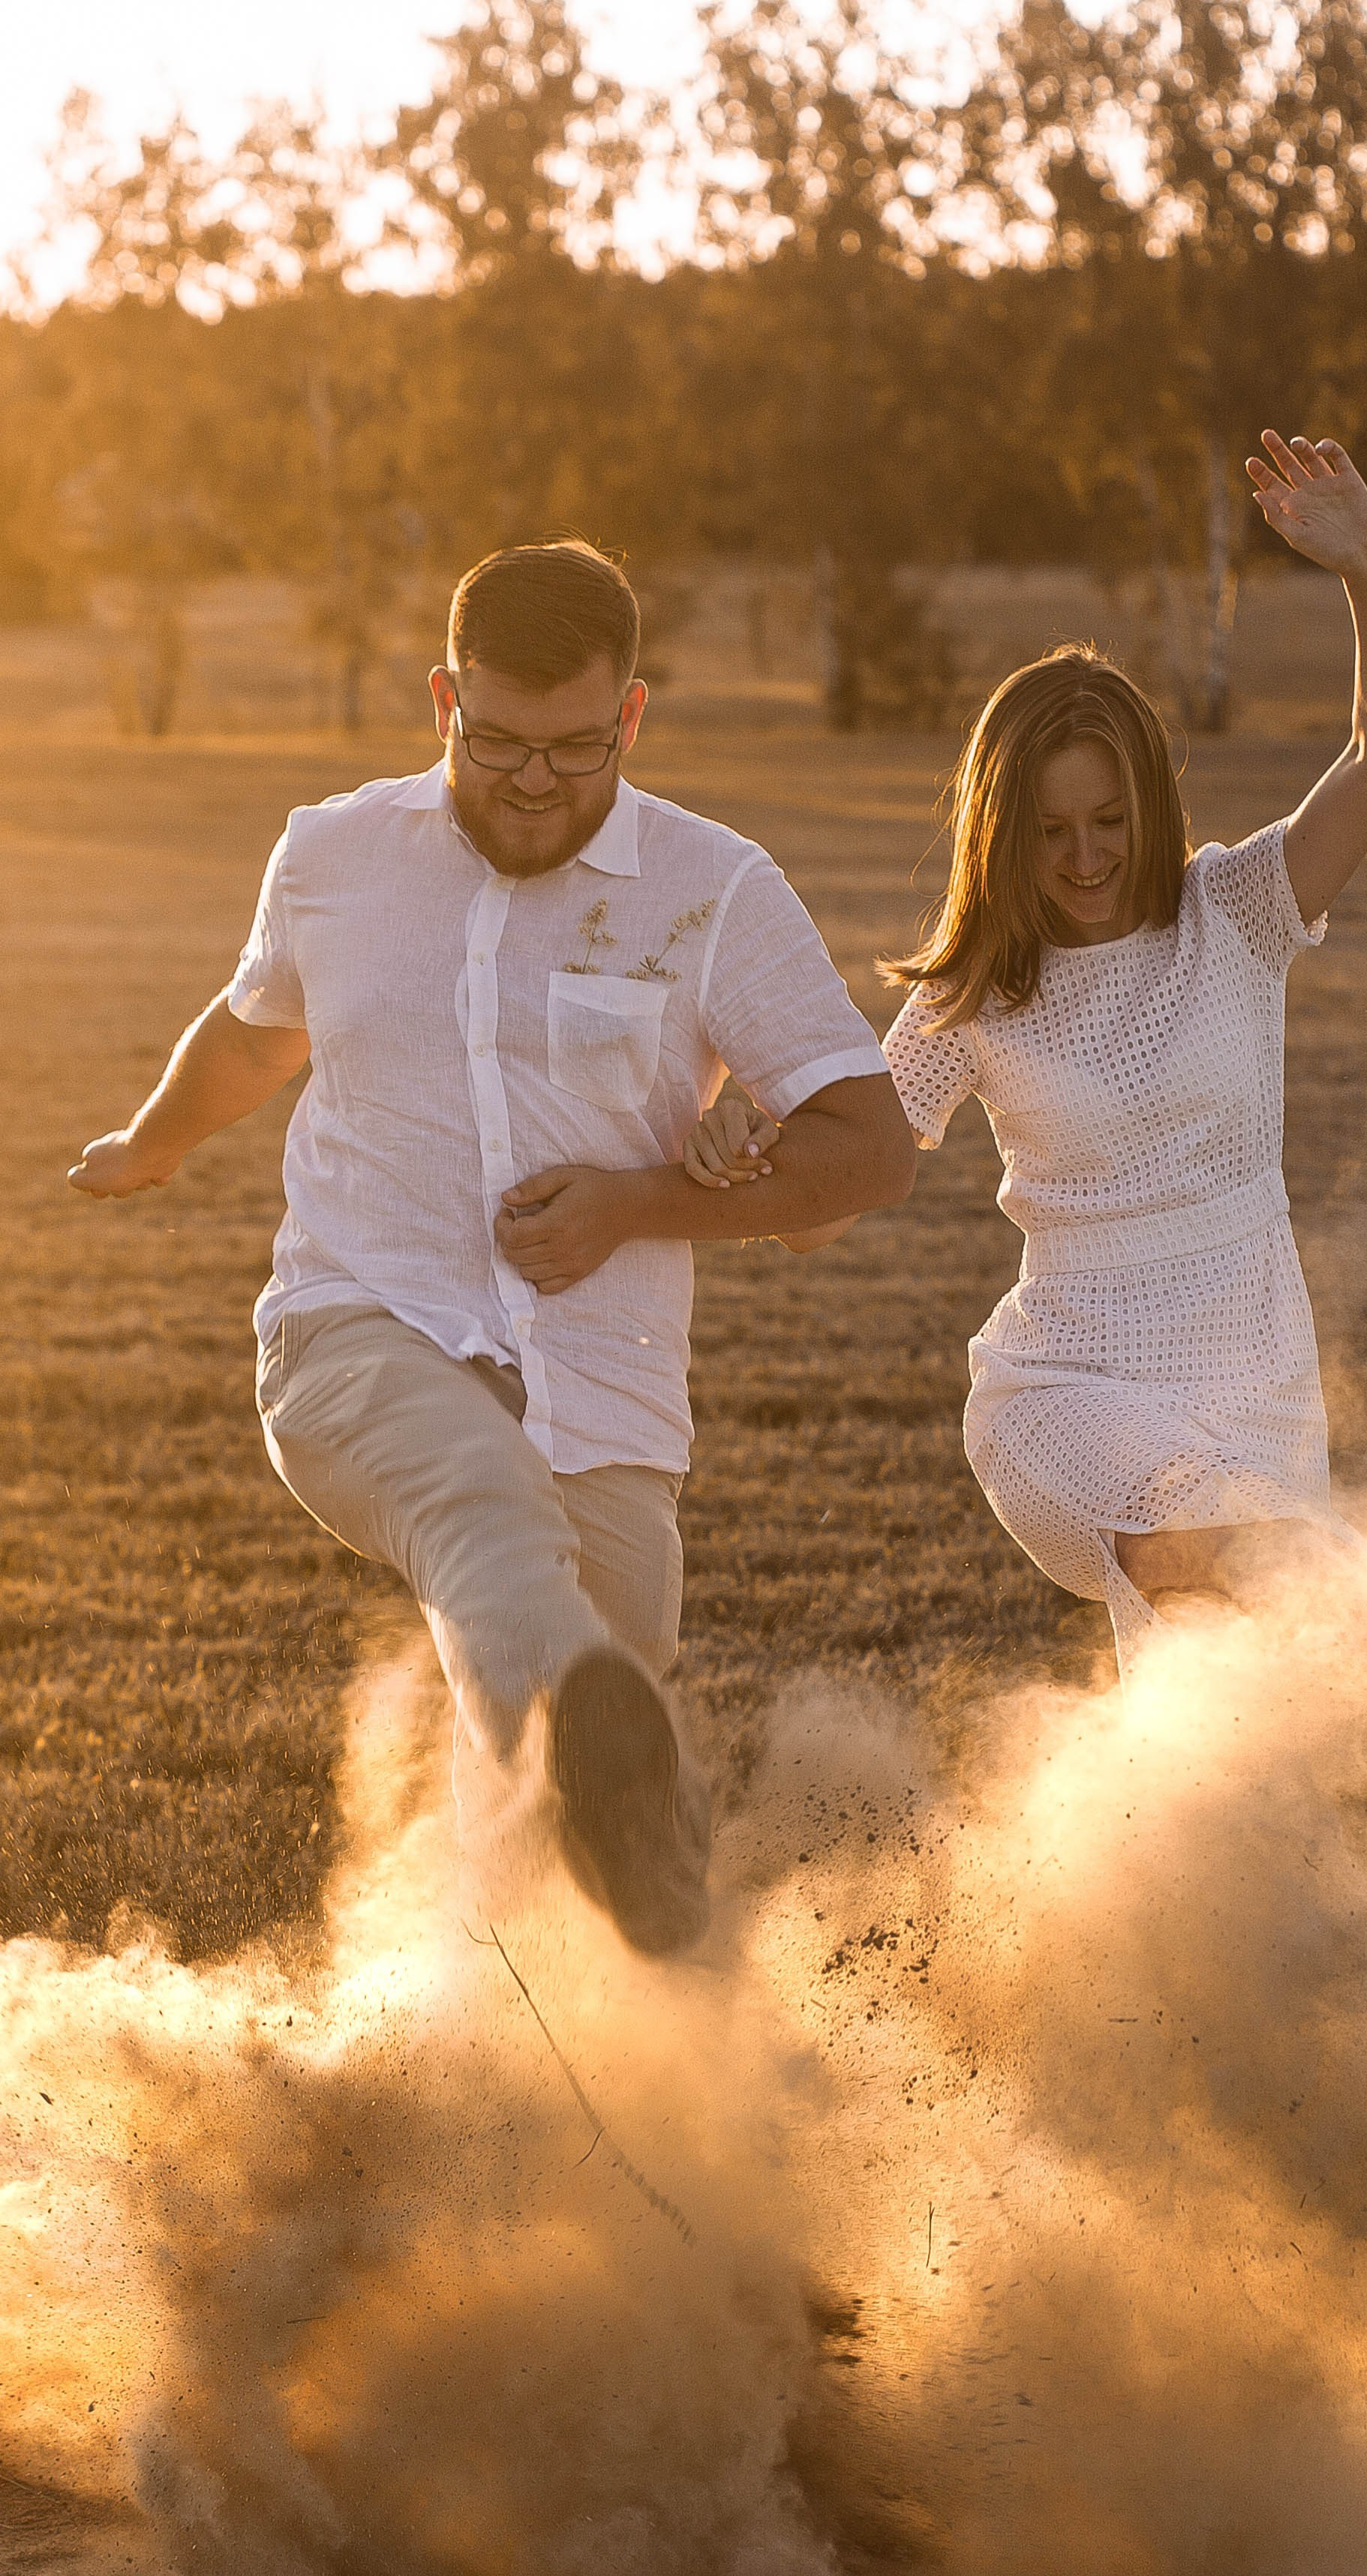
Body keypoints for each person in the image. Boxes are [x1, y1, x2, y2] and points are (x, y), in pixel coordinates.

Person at [684, 433, 1367, 1774]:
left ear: (1152, 804)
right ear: (1002, 830)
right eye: (1051, 830)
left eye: (1110, 821)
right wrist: (742, 1148)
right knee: (1174, 1538)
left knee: (1225, 1763)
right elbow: (823, 1207)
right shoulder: (972, 995)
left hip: (1250, 1365)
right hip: (1070, 1382)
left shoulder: (1238, 909)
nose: (1084, 858)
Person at [71, 538, 916, 1953]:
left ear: (632, 716)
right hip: (356, 1329)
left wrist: (638, 1202)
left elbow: (871, 1148)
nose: (535, 782)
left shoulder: (713, 888)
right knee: (485, 1512)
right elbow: (257, 1032)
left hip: (604, 1385)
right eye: (499, 743)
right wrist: (154, 1144)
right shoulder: (333, 854)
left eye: (577, 749)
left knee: (581, 1755)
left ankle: (582, 2038)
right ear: (443, 701)